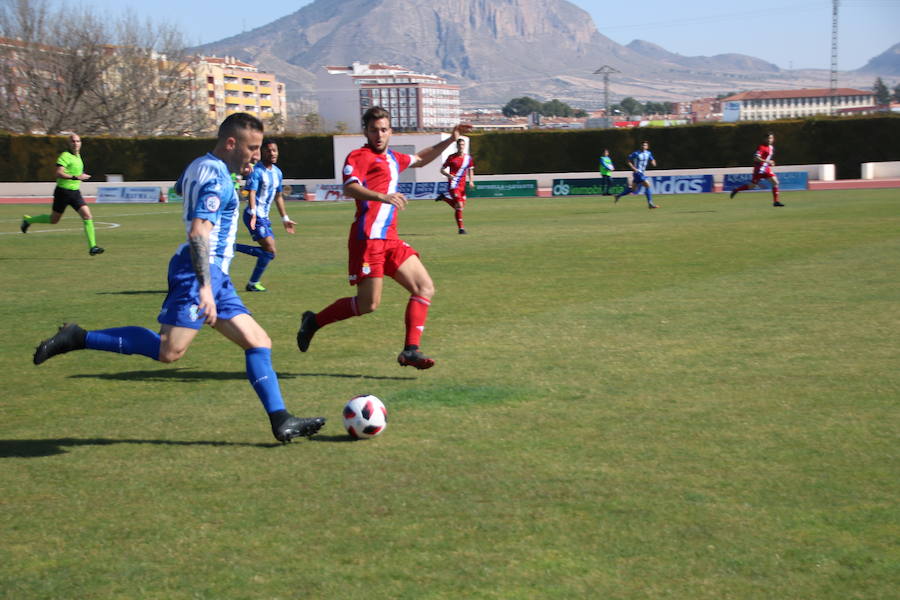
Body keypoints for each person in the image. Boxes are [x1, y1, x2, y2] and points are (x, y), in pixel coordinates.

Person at [31, 113, 325, 443]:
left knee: (258, 342)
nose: (257, 156)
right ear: (231, 143)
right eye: (252, 148)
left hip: (215, 272)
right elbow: (199, 232)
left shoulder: (198, 165)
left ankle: (280, 419)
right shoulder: (218, 180)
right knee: (169, 351)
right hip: (199, 269)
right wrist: (205, 288)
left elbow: (179, 187)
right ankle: (79, 336)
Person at [296, 106, 472, 370]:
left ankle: (410, 351)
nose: (379, 135)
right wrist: (381, 197)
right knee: (369, 304)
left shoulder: (393, 158)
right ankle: (313, 321)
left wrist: (449, 139)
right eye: (374, 130)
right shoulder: (359, 156)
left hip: (390, 239)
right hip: (367, 239)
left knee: (425, 287)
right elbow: (349, 187)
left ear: (390, 131)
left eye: (384, 130)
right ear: (366, 132)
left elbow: (420, 159)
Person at [21, 133, 104, 255]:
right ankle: (28, 220)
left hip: (75, 193)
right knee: (54, 220)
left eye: (77, 141)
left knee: (87, 216)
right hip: (63, 192)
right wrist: (76, 177)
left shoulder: (78, 157)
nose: (75, 143)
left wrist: (80, 176)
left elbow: (75, 171)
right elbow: (59, 173)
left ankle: (93, 247)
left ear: (80, 143)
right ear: (69, 144)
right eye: (73, 141)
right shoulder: (65, 156)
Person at [234, 139, 297, 291]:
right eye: (269, 150)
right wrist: (254, 213)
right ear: (263, 152)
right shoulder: (257, 171)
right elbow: (252, 192)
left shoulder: (277, 173)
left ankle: (252, 282)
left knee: (269, 253)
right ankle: (231, 248)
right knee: (270, 250)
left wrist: (285, 218)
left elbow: (278, 196)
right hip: (254, 215)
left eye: (274, 150)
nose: (272, 153)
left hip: (264, 217)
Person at [729, 132, 784, 206]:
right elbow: (756, 158)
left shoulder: (771, 147)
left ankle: (776, 202)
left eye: (771, 138)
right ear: (764, 139)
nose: (769, 140)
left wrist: (770, 163)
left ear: (773, 139)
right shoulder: (761, 147)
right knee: (752, 186)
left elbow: (767, 158)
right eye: (768, 138)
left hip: (766, 169)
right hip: (759, 170)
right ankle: (736, 190)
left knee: (775, 182)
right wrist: (767, 161)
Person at [434, 137, 475, 234]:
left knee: (460, 207)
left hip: (462, 186)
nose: (461, 147)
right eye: (459, 145)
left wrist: (471, 181)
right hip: (454, 185)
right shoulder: (451, 157)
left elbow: (470, 170)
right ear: (457, 146)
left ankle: (444, 198)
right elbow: (442, 170)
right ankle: (461, 229)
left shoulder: (468, 158)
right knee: (459, 205)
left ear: (464, 146)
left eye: (462, 145)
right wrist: (449, 175)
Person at [614, 140, 658, 209]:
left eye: (645, 145)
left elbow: (652, 159)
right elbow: (628, 160)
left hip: (641, 173)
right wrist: (633, 168)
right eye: (642, 145)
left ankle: (618, 196)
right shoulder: (636, 153)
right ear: (640, 146)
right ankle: (650, 203)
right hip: (637, 173)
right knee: (647, 185)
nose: (643, 146)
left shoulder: (648, 153)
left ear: (647, 147)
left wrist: (653, 162)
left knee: (633, 190)